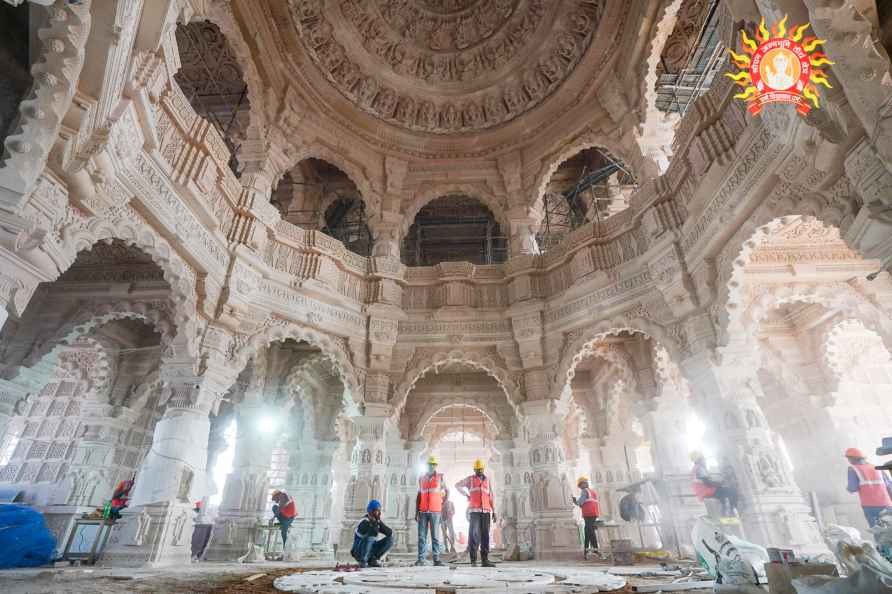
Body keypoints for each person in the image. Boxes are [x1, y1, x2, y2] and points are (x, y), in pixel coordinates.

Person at [455, 458, 496, 567]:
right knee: (474, 535)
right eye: (477, 469)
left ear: (483, 469)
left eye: (481, 469)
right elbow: (457, 485)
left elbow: (491, 496)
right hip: (474, 512)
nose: (479, 471)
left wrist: (494, 511)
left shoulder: (487, 480)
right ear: (474, 470)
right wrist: (466, 495)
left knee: (485, 536)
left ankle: (484, 560)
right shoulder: (470, 479)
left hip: (486, 511)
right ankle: (473, 560)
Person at [845, 447, 892, 528]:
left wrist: (848, 489)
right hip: (887, 504)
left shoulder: (853, 469)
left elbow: (853, 488)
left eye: (848, 458)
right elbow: (889, 486)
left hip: (870, 506)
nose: (848, 461)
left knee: (877, 530)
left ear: (852, 458)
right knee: (889, 528)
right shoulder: (877, 468)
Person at [416, 455, 447, 566]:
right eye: (429, 464)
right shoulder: (421, 478)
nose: (431, 466)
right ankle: (421, 559)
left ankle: (436, 559)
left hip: (435, 511)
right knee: (421, 536)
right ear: (427, 466)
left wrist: (441, 504)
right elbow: (419, 496)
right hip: (423, 511)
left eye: (433, 465)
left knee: (435, 536)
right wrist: (416, 512)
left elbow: (446, 491)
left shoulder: (440, 478)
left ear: (435, 466)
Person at [690, 451, 738, 517]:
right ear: (700, 460)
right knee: (732, 491)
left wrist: (719, 483)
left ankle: (726, 516)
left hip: (702, 493)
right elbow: (708, 482)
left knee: (723, 495)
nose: (705, 461)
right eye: (703, 459)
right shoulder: (699, 468)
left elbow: (705, 481)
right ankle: (732, 513)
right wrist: (720, 483)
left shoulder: (694, 469)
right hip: (707, 491)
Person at [351, 499, 393, 568]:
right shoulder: (364, 522)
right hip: (358, 551)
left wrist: (379, 522)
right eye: (377, 511)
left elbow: (389, 533)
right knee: (371, 537)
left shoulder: (376, 521)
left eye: (379, 511)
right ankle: (363, 561)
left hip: (369, 550)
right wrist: (375, 522)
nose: (379, 513)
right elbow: (374, 532)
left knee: (390, 539)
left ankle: (373, 559)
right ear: (371, 511)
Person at [571, 475, 599, 559]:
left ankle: (593, 551)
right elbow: (586, 503)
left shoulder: (584, 491)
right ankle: (589, 551)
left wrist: (574, 500)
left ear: (583, 484)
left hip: (588, 514)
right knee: (588, 531)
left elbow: (580, 503)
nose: (580, 487)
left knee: (589, 532)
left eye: (580, 485)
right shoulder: (592, 491)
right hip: (593, 513)